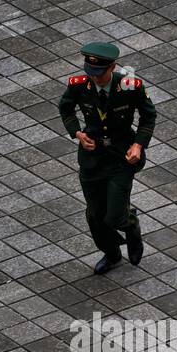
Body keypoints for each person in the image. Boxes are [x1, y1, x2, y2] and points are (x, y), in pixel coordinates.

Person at [57, 42, 156, 274]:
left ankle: (130, 226)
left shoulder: (130, 87)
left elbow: (148, 116)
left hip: (121, 157)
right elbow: (65, 108)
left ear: (112, 67)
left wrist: (138, 145)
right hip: (92, 158)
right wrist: (77, 133)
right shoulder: (79, 86)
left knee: (114, 217)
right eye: (91, 73)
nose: (95, 78)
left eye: (100, 73)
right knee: (94, 216)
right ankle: (112, 255)